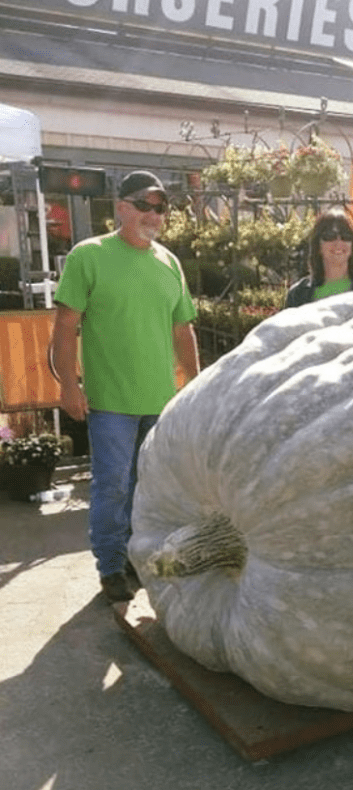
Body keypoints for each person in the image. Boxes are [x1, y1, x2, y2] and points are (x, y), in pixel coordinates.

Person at [51, 170, 199, 602]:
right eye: (144, 205)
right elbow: (64, 327)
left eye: (160, 207)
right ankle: (111, 566)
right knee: (112, 485)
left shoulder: (169, 263)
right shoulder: (89, 255)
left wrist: (196, 380)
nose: (153, 214)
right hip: (111, 401)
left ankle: (139, 559)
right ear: (121, 207)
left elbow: (181, 330)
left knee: (148, 488)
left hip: (160, 401)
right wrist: (67, 385)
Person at [284, 208, 353, 307]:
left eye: (346, 236)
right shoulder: (298, 295)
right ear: (317, 246)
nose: (338, 243)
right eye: (330, 236)